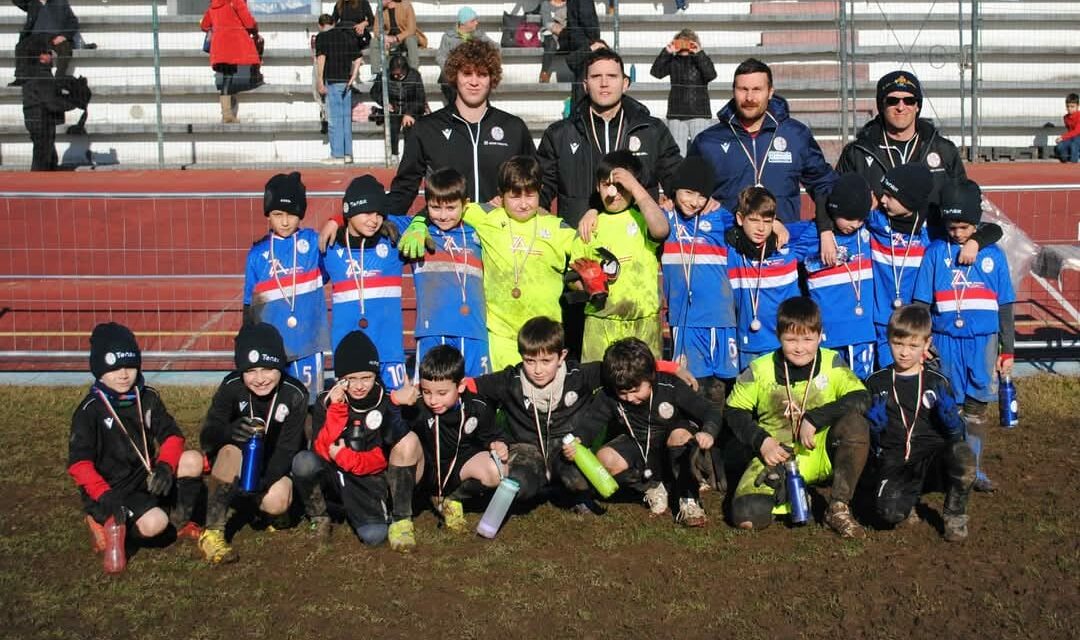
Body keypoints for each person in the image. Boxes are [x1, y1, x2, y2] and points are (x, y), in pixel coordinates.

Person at [321, 39, 533, 250]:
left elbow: (535, 185)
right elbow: (403, 190)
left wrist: (512, 200)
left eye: (482, 74)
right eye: (467, 74)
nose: (474, 82)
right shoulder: (427, 129)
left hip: (504, 241)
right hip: (446, 244)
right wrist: (342, 218)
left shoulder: (513, 128)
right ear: (454, 76)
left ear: (492, 79)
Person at [402, 156, 576, 370]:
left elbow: (587, 250)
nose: (523, 203)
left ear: (540, 190)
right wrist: (418, 223)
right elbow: (445, 202)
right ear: (501, 194)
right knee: (503, 395)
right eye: (514, 196)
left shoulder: (558, 228)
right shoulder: (485, 216)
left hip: (544, 335)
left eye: (530, 195)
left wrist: (591, 217)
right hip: (499, 335)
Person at [725, 297, 870, 538]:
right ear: (778, 336)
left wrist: (814, 419)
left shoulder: (832, 361)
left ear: (820, 335)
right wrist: (762, 441)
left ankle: (838, 506)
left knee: (855, 425)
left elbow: (861, 397)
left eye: (807, 339)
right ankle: (793, 494)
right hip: (776, 455)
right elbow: (733, 410)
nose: (800, 347)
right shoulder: (760, 368)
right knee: (747, 517)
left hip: (821, 453)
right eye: (791, 339)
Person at [68, 323, 204, 570]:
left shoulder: (147, 397)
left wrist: (164, 466)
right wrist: (105, 496)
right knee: (155, 524)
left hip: (144, 476)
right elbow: (79, 465)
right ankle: (104, 522)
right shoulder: (89, 411)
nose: (123, 375)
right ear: (98, 370)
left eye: (129, 367)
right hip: (109, 489)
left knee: (193, 460)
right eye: (114, 368)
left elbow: (172, 436)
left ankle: (181, 522)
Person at [829, 70, 999, 267]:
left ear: (917, 105)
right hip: (878, 258)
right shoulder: (857, 152)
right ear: (881, 105)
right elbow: (835, 203)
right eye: (893, 100)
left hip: (932, 253)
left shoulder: (943, 150)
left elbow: (963, 204)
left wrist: (977, 239)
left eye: (909, 100)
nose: (901, 107)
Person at [913, 179, 1015, 493]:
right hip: (945, 341)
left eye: (964, 227)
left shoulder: (993, 256)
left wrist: (1008, 349)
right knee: (948, 407)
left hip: (983, 342)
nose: (957, 233)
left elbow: (1006, 305)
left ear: (976, 222)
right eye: (952, 226)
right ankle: (950, 467)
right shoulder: (935, 252)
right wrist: (922, 340)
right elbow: (921, 302)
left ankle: (974, 468)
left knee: (976, 407)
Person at [197, 323, 325, 564]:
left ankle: (258, 507)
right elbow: (207, 437)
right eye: (250, 370)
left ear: (280, 365)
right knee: (229, 450)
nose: (259, 379)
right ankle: (212, 532)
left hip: (270, 469)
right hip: (235, 466)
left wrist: (261, 483)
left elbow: (287, 448)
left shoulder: (295, 394)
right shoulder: (231, 386)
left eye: (267, 369)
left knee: (277, 504)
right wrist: (228, 432)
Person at [565, 338, 721, 526]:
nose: (629, 398)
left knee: (680, 435)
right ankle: (652, 487)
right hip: (638, 447)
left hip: (672, 446)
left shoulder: (670, 386)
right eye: (622, 393)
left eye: (635, 390)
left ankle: (688, 499)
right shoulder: (609, 395)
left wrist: (708, 432)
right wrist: (577, 441)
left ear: (651, 376)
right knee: (604, 459)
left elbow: (709, 411)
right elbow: (590, 424)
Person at [863, 305, 976, 541]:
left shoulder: (937, 381)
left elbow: (957, 435)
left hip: (931, 457)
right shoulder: (876, 382)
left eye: (913, 346)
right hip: (896, 460)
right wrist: (874, 431)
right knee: (889, 515)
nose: (905, 352)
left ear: (927, 344)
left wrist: (953, 425)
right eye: (898, 344)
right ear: (888, 340)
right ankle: (908, 498)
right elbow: (871, 443)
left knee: (963, 454)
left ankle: (955, 515)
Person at [538, 47, 681, 229]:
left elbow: (677, 180)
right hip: (579, 244)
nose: (604, 83)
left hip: (636, 243)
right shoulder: (559, 134)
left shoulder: (652, 130)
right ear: (585, 85)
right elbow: (539, 190)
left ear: (625, 83)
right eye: (596, 77)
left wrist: (701, 195)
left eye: (612, 76)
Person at [309, 330, 424, 550]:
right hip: (340, 475)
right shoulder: (328, 400)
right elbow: (322, 451)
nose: (359, 386)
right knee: (304, 463)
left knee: (374, 536)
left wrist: (346, 457)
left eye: (366, 378)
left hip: (372, 478)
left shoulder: (386, 400)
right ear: (340, 378)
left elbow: (382, 457)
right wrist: (336, 409)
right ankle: (320, 514)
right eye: (351, 379)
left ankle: (391, 513)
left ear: (375, 375)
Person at [689, 57, 837, 225]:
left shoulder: (796, 135)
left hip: (782, 242)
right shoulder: (708, 141)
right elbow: (686, 189)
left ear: (770, 92)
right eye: (743, 89)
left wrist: (826, 227)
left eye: (757, 89)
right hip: (726, 242)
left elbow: (824, 184)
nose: (749, 97)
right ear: (733, 91)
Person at [569, 150, 669, 362]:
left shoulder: (642, 219)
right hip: (601, 322)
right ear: (598, 186)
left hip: (643, 322)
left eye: (622, 187)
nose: (613, 192)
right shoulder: (589, 225)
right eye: (607, 185)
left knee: (643, 387)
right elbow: (573, 276)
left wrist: (635, 186)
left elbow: (661, 230)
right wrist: (586, 285)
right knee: (597, 387)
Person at [243, 172, 329, 402]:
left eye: (291, 214)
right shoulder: (257, 254)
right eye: (277, 214)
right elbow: (249, 305)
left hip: (308, 342)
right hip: (272, 346)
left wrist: (336, 224)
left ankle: (312, 440)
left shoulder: (313, 243)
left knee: (310, 403)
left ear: (300, 214)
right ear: (268, 215)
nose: (284, 221)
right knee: (276, 405)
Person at [322, 175, 409, 390]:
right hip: (348, 355)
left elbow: (428, 218)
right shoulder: (330, 247)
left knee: (395, 414)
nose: (374, 220)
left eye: (380, 214)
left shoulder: (393, 240)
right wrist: (335, 218)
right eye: (368, 212)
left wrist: (410, 226)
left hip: (390, 352)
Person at [404, 167, 490, 377]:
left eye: (451, 208)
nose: (442, 216)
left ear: (465, 204)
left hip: (474, 330)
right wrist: (337, 220)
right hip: (432, 331)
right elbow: (377, 216)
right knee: (432, 394)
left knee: (477, 395)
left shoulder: (479, 232)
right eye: (434, 208)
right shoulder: (418, 232)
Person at [411, 345, 505, 532]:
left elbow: (492, 436)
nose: (433, 400)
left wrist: (498, 444)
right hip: (427, 471)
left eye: (442, 393)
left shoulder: (477, 406)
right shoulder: (416, 406)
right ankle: (403, 513)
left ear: (461, 386)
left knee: (498, 469)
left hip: (459, 469)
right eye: (427, 392)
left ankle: (453, 499)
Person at [793, 173, 877, 379]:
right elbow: (778, 238)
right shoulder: (812, 234)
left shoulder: (868, 230)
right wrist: (824, 230)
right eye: (849, 218)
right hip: (827, 333)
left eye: (860, 219)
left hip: (862, 333)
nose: (856, 224)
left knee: (861, 390)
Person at [725, 186, 810, 369]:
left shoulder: (786, 245)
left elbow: (818, 227)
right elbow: (713, 221)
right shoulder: (732, 250)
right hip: (748, 346)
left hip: (784, 344)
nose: (761, 228)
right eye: (754, 220)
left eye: (767, 221)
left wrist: (779, 225)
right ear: (740, 219)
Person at [865, 164, 933, 368]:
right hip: (882, 321)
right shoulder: (875, 221)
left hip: (917, 325)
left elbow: (980, 227)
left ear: (909, 200)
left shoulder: (931, 231)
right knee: (887, 378)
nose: (882, 200)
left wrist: (976, 241)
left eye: (889, 196)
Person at [649, 29, 717, 157]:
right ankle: (679, 177)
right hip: (677, 113)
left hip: (699, 112)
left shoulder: (700, 59)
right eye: (681, 42)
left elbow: (711, 75)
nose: (684, 45)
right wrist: (667, 52)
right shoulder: (673, 61)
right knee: (677, 152)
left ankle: (701, 177)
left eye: (688, 42)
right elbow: (656, 73)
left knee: (702, 150)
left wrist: (699, 53)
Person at [200, 0, 261, 124]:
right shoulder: (236, 1)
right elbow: (249, 23)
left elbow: (204, 25)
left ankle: (227, 111)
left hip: (219, 48)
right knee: (228, 77)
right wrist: (255, 29)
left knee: (227, 77)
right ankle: (227, 114)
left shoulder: (214, 5)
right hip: (232, 47)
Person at [315, 13, 363, 164]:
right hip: (346, 81)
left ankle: (337, 155)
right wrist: (353, 77)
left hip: (332, 80)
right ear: (334, 23)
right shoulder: (347, 36)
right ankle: (348, 154)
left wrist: (319, 81)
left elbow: (321, 59)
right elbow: (358, 58)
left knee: (335, 120)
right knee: (345, 119)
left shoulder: (322, 37)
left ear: (320, 25)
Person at [369, 54, 426, 158]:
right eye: (393, 74)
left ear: (405, 70)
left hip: (411, 108)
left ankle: (409, 157)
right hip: (393, 108)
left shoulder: (415, 75)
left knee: (410, 128)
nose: (395, 76)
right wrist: (384, 102)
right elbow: (374, 92)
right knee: (392, 127)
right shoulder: (384, 75)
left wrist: (409, 113)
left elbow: (420, 98)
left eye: (398, 74)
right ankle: (393, 154)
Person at [20, 36, 64, 171]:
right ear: (42, 57)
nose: (51, 56)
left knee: (47, 155)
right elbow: (50, 101)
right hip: (43, 120)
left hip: (34, 118)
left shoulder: (30, 73)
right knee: (42, 159)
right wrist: (71, 104)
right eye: (48, 53)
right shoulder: (43, 75)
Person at [436, 7, 494, 105]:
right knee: (458, 105)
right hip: (452, 81)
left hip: (473, 77)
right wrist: (453, 71)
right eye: (473, 21)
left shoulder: (479, 36)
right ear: (464, 23)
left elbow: (495, 48)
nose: (476, 23)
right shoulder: (448, 37)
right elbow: (440, 57)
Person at [12, 0, 78, 84]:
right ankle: (21, 78)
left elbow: (73, 22)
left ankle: (59, 79)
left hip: (55, 37)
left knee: (65, 49)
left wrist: (64, 36)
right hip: (36, 36)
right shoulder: (33, 3)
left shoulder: (61, 2)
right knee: (21, 46)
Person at [374, 0, 423, 72]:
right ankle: (376, 74)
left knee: (411, 40)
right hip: (390, 40)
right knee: (374, 41)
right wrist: (384, 38)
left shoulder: (406, 5)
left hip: (405, 37)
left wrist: (396, 38)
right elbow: (376, 30)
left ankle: (414, 72)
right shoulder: (380, 8)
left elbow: (411, 29)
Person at [537, 0, 567, 84]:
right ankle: (544, 72)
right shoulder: (546, 4)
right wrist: (556, 28)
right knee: (551, 43)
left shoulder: (569, 5)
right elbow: (546, 23)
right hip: (549, 32)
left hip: (565, 33)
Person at [1055, 92, 1080, 163]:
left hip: (1078, 137)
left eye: (1072, 106)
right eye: (1068, 106)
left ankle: (1073, 162)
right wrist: (1063, 140)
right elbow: (1070, 131)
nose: (1069, 108)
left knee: (1074, 144)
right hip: (1071, 138)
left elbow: (1077, 131)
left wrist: (1062, 137)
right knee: (1060, 146)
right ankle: (1066, 159)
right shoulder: (1066, 118)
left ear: (1077, 106)